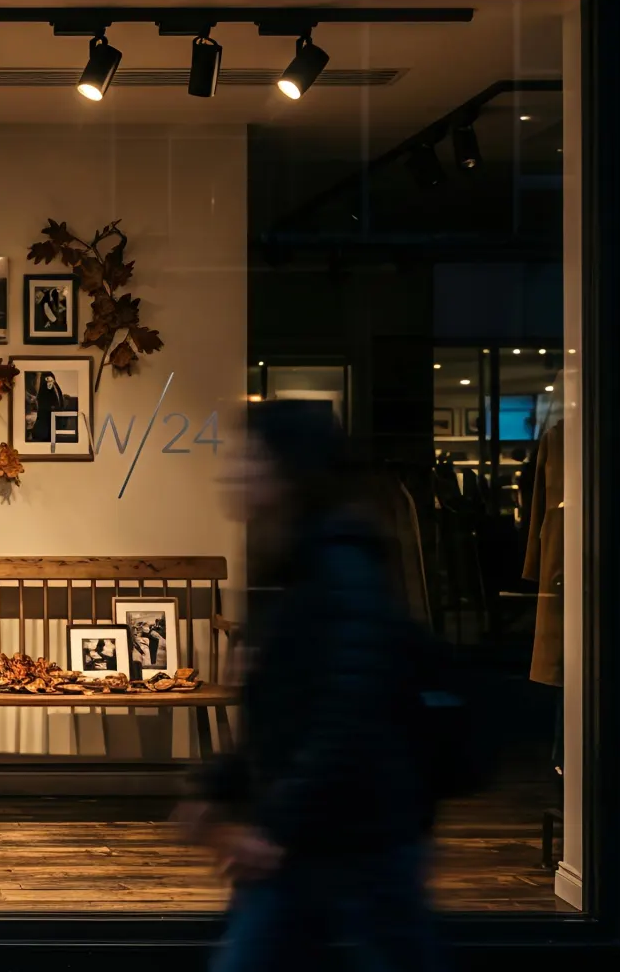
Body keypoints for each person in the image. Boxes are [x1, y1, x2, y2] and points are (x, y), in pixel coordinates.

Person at [190, 399, 441, 972]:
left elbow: (346, 712)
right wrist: (216, 786)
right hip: (313, 830)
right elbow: (284, 711)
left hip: (358, 835)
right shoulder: (293, 562)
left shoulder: (340, 567)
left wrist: (274, 826)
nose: (233, 471)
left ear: (288, 473)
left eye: (251, 458)